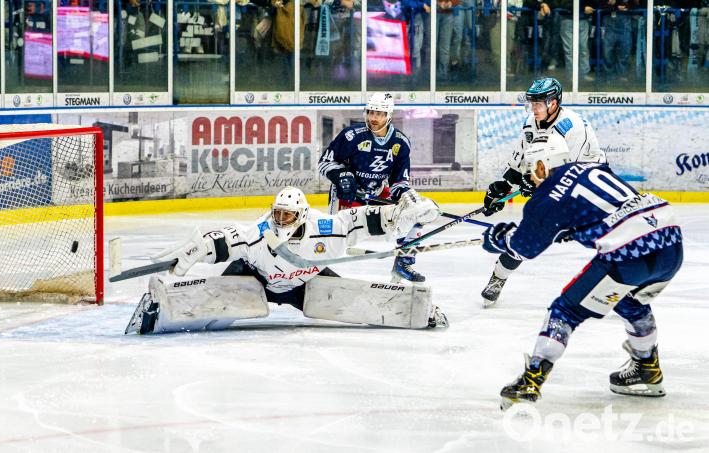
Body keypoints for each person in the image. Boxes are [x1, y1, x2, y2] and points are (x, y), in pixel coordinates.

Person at [480, 135, 683, 409]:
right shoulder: (592, 166)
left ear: (541, 166)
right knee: (629, 300)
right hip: (670, 239)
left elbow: (524, 248)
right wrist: (572, 227)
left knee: (566, 311)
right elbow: (602, 207)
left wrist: (499, 239)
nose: (531, 178)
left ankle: (531, 380)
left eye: (531, 171)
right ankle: (647, 369)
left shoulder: (547, 197)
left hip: (630, 249)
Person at [125, 186, 446, 334]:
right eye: (277, 213)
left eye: (287, 215)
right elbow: (228, 239)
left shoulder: (326, 229)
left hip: (304, 282)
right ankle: (158, 312)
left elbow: (360, 219)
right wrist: (199, 247)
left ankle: (419, 311)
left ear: (302, 215)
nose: (280, 220)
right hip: (256, 280)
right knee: (214, 305)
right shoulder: (260, 232)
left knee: (356, 303)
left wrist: (400, 214)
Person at [480, 76, 605, 307]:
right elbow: (521, 160)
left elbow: (566, 173)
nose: (533, 109)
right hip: (560, 179)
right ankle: (499, 277)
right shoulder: (531, 122)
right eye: (532, 103)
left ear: (553, 103)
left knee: (605, 237)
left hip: (590, 185)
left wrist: (536, 184)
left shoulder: (573, 127)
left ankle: (621, 284)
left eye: (538, 104)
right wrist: (503, 188)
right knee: (529, 233)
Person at [318, 93, 426, 283]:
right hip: (348, 195)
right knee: (333, 240)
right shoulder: (352, 135)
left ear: (388, 115)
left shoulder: (400, 143)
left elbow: (399, 180)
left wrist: (404, 194)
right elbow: (325, 163)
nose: (374, 118)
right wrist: (341, 176)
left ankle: (404, 262)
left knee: (414, 213)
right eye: (371, 112)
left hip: (376, 194)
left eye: (380, 114)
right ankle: (314, 266)